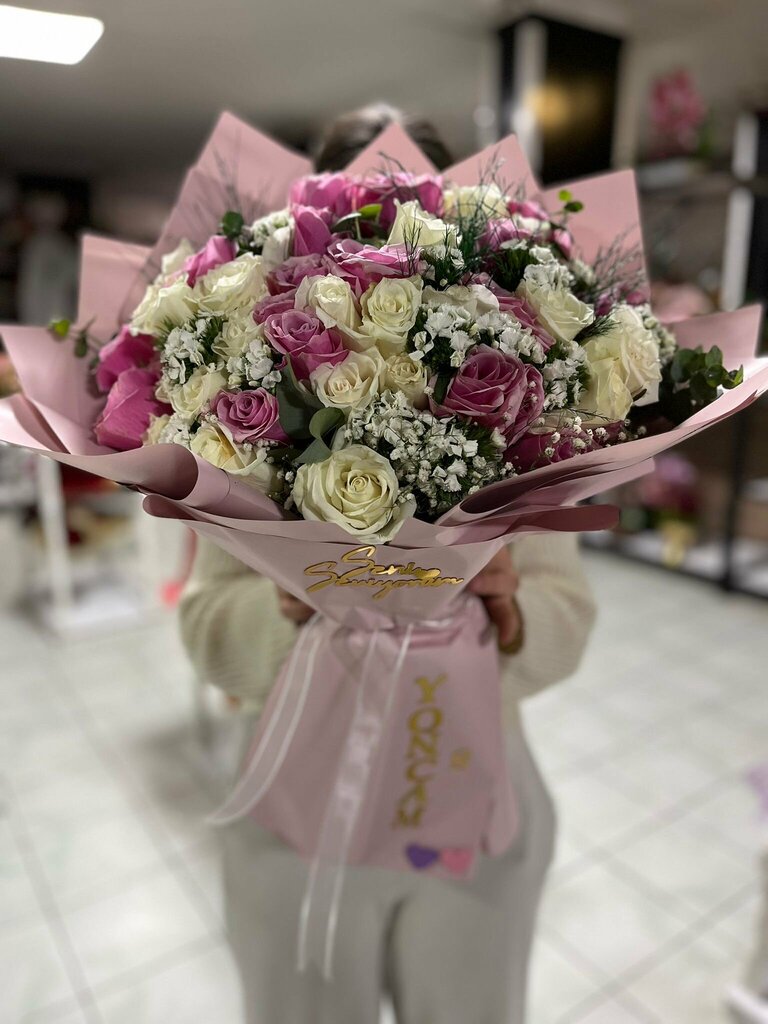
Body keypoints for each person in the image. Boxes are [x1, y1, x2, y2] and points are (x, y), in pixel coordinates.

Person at [179, 104, 597, 1024]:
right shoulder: (232, 419)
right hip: (293, 816)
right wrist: (292, 602)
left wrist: (509, 606)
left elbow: (572, 617)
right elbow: (206, 632)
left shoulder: (529, 407)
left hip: (481, 806)